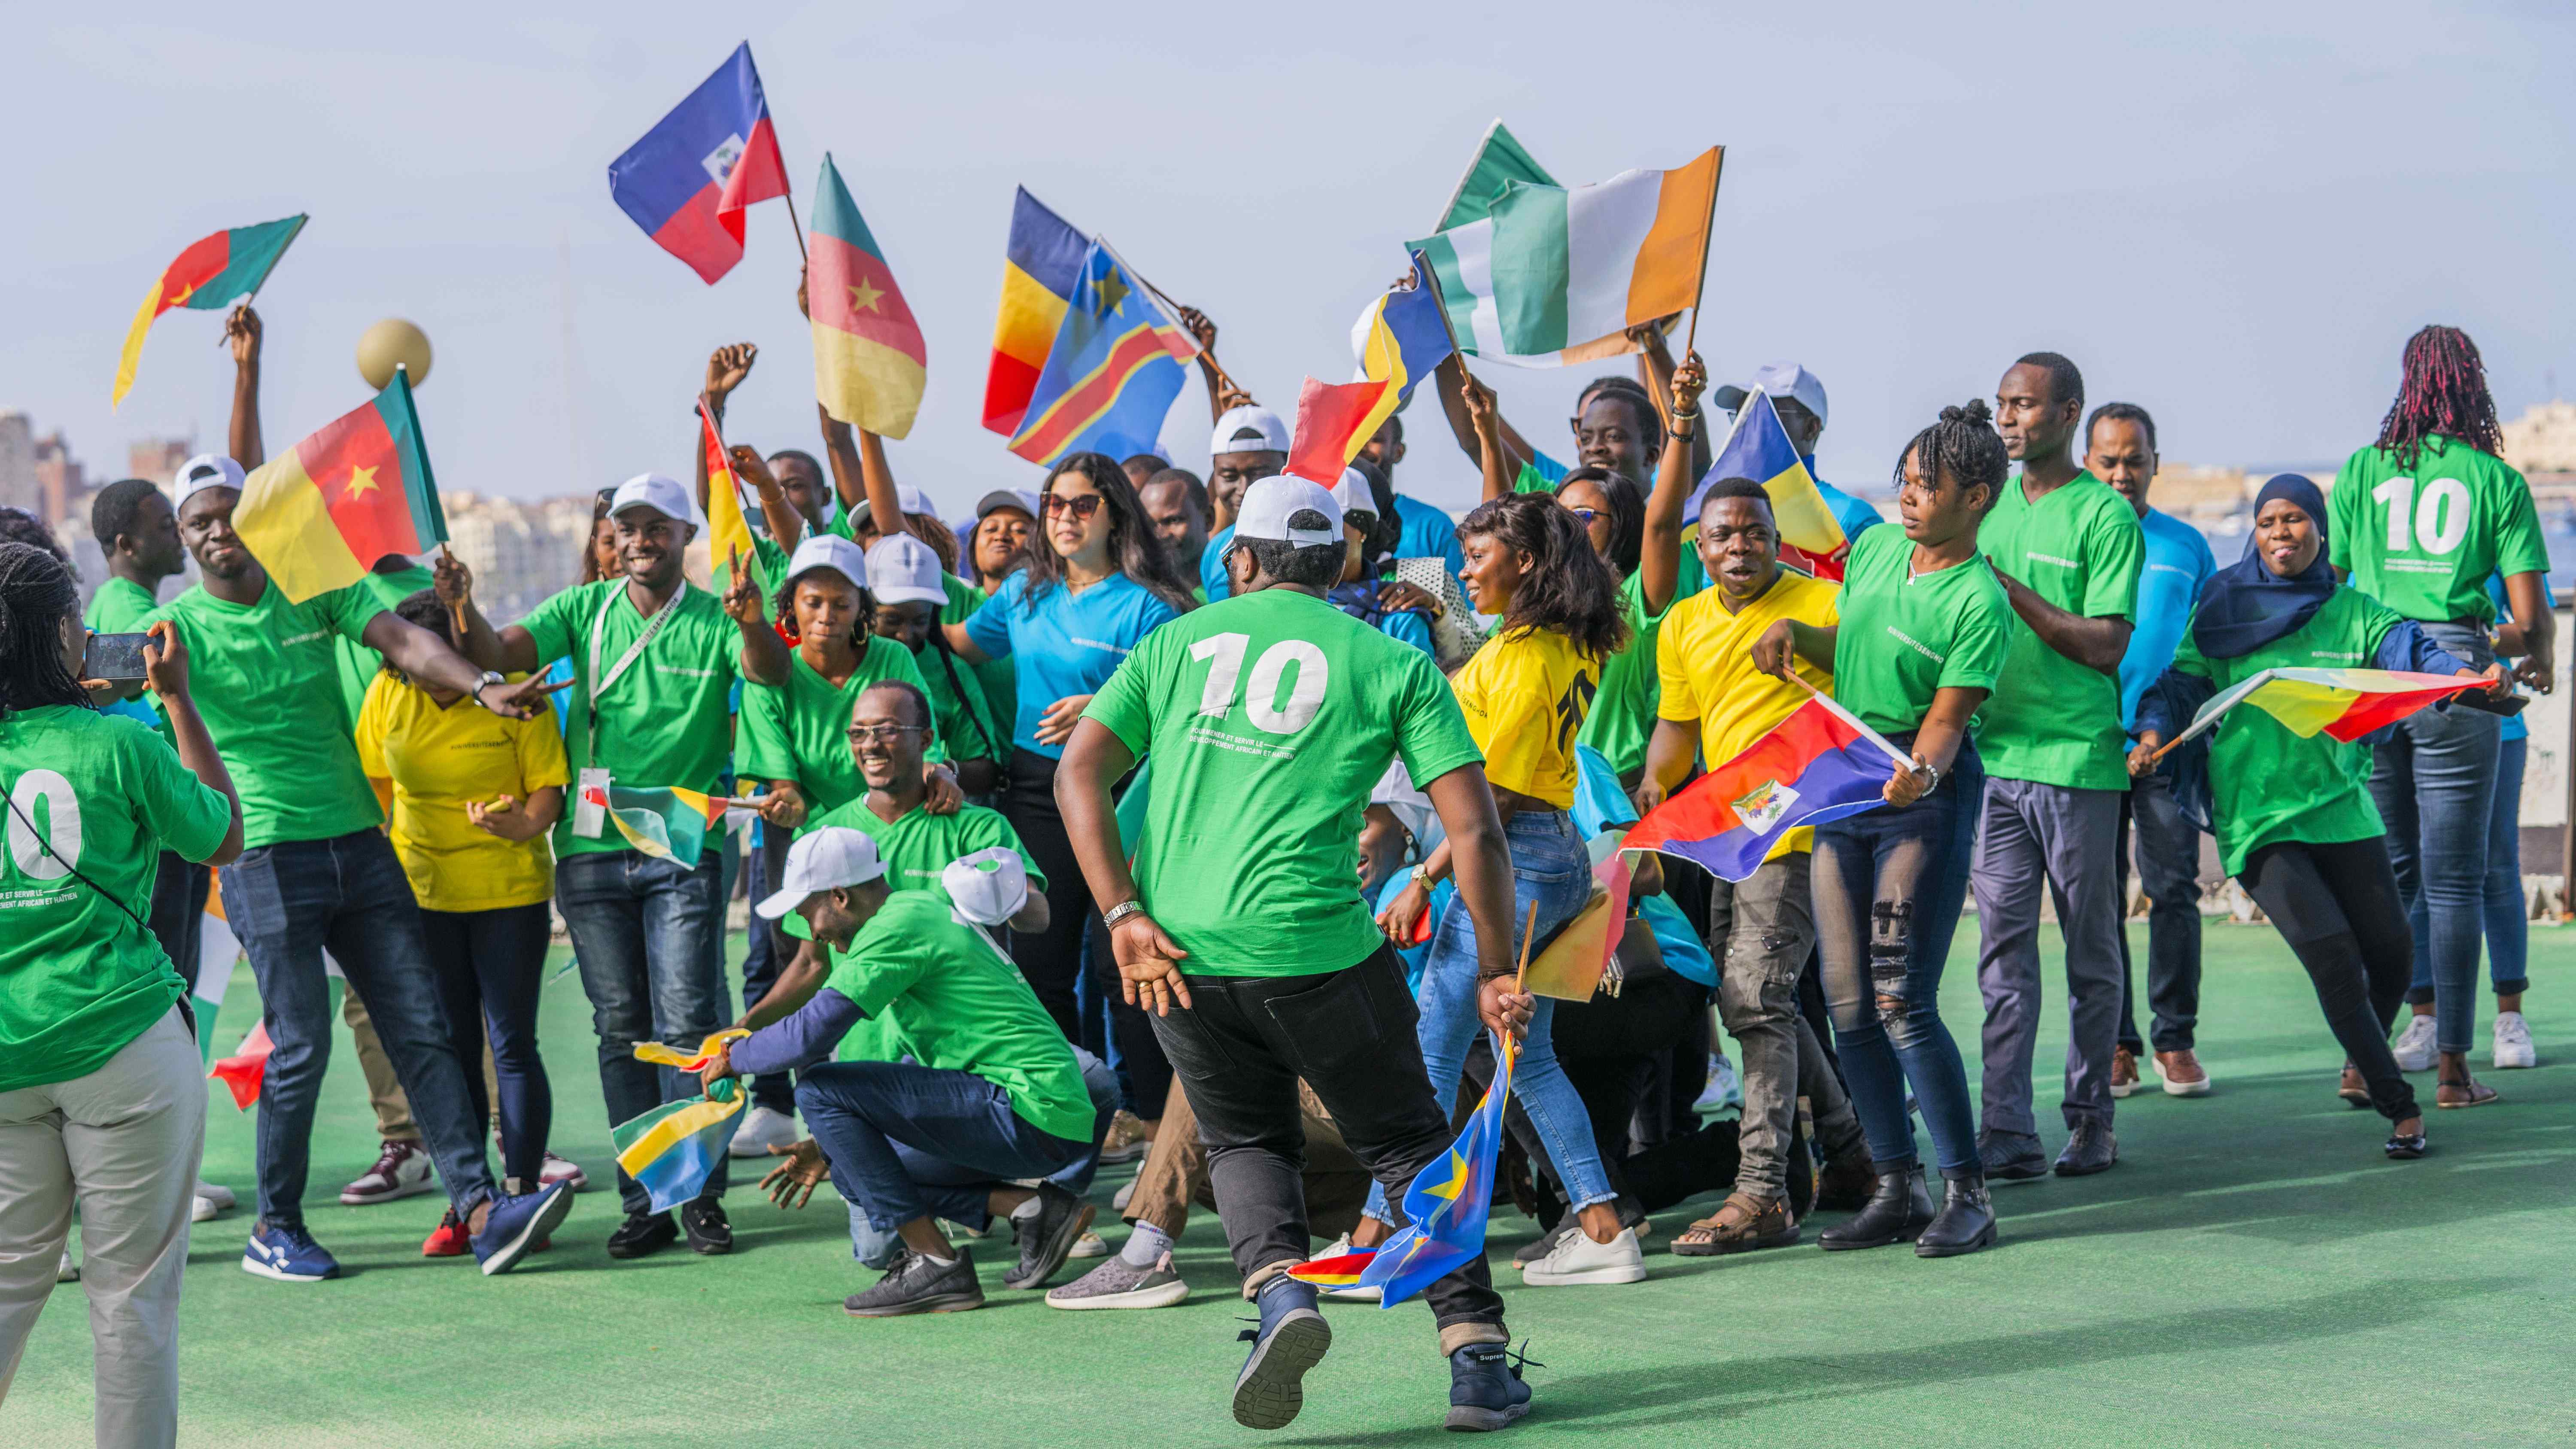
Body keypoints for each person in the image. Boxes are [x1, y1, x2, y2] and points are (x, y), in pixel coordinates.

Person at [1056, 475, 1539, 1432]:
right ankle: (1476, 1354)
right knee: (1408, 1145)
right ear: (1343, 560)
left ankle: (1281, 1297)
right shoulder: (1390, 661)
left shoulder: (1173, 641)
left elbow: (1080, 771)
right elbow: (1475, 831)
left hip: (1181, 951)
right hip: (1315, 946)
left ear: (1240, 557)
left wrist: (1121, 913)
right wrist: (1494, 967)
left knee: (1243, 1139)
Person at [148, 450, 571, 1283]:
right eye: (201, 520)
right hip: (266, 853)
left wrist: (483, 683)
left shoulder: (313, 588)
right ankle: (277, 1226)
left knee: (419, 1025)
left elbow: (406, 639)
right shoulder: (180, 633)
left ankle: (484, 1210)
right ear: (181, 537)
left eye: (232, 511)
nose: (220, 530)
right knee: (299, 1039)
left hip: (360, 845)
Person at [442, 471, 787, 1261]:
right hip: (593, 854)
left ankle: (696, 1197)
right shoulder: (580, 610)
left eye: (656, 527)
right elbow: (496, 653)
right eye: (627, 527)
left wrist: (755, 623)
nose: (639, 540)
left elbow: (768, 674)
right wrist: (462, 605)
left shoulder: (714, 619)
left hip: (683, 851)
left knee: (687, 1025)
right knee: (622, 1031)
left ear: (685, 538)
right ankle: (646, 1203)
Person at [2132, 474, 2501, 1153]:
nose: (2281, 532)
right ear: (2255, 531)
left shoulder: (2356, 611)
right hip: (2262, 818)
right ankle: (2400, 1104)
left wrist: (2468, 678)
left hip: (2341, 806)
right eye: (2269, 520)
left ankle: (2361, 1060)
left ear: (2320, 530)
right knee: (2334, 954)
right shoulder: (2224, 607)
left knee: (2392, 955)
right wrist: (2154, 734)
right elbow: (2180, 683)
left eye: (2295, 519)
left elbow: (2410, 654)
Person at [1753, 398, 2015, 1258]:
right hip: (1848, 780)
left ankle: (1966, 1190)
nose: (1907, 497)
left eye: (1926, 486)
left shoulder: (1980, 598)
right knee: (1849, 1002)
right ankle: (1896, 1186)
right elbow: (1854, 642)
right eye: (1903, 480)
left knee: (1903, 998)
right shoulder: (1871, 551)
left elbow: (1947, 720)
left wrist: (1924, 773)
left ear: (1977, 497)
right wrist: (1802, 634)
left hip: (1921, 796)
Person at [0, 543, 240, 1446]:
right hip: (124, 1046)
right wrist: (174, 696)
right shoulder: (117, 742)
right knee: (132, 1297)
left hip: (6, 1059)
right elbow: (223, 835)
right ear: (58, 631)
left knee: (7, 1278)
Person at [1634, 354, 1875, 1252]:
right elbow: (1676, 731)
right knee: (1759, 1001)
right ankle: (1850, 1151)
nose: (1741, 546)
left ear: (1778, 537)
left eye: (1755, 532)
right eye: (1725, 534)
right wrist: (1658, 786)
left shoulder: (1828, 600)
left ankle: (1766, 1187)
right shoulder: (1686, 623)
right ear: (1702, 545)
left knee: (1757, 998)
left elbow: (1874, 686)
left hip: (1804, 830)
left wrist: (1807, 635)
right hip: (1728, 833)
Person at [1373, 489, 1641, 1290]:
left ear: (1524, 562)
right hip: (1549, 858)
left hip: (1513, 862)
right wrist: (1442, 597)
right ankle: (1602, 1227)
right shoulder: (1561, 641)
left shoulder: (1525, 654)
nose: (1464, 571)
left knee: (1433, 1048)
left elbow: (1498, 801)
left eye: (1478, 559)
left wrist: (1424, 876)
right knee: (1525, 1060)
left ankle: (1377, 1231)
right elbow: (1475, 672)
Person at [705, 830, 1106, 1315]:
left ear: (839, 897)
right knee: (854, 1171)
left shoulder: (895, 928)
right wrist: (835, 1149)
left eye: (808, 912)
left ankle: (936, 1263)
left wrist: (733, 1057)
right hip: (1035, 1113)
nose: (812, 933)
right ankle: (1035, 1211)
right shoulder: (916, 909)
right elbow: (921, 1070)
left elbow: (810, 1036)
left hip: (1026, 1107)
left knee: (820, 1089)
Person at [2330, 325, 2553, 1103]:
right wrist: (2540, 660)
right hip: (2457, 675)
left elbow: (2333, 586)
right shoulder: (2496, 479)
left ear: (2407, 383)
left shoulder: (2360, 470)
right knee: (2456, 882)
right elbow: (2528, 616)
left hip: (2374, 672)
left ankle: (2368, 1060)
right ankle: (2456, 1070)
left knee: (2386, 874)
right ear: (2473, 384)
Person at [942, 454, 1190, 1066]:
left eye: (1083, 504)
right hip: (1035, 792)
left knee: (1123, 962)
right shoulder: (1024, 593)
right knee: (1041, 963)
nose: (1065, 516)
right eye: (1054, 503)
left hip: (1124, 797)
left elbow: (1180, 708)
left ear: (1115, 515)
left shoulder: (1150, 607)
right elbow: (955, 644)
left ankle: (1152, 1118)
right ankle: (1072, 1105)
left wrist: (1104, 709)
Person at [1970, 352, 2144, 1182]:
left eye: (2026, 405)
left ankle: (2090, 1119)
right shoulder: (1983, 506)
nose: (2009, 419)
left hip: (2078, 762)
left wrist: (2014, 594)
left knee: (2090, 954)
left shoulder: (2106, 517)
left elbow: (2108, 646)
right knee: (2001, 956)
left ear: (2068, 412)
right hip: (1992, 761)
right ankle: (2005, 1129)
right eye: (2002, 403)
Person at [355, 591, 572, 1254]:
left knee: (510, 1041)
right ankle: (471, 1200)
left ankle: (521, 1190)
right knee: (448, 1049)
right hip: (424, 895)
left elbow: (549, 794)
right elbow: (372, 785)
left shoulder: (510, 695)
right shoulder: (387, 694)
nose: (423, 668)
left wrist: (523, 824)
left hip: (509, 889)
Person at [2089, 403, 2218, 1098]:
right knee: (2096, 901)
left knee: (2174, 891)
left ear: (2156, 464)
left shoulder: (2187, 546)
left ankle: (2175, 1039)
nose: (2121, 474)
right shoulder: (2071, 536)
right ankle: (2116, 1043)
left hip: (2166, 747)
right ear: (2088, 463)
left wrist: (2167, 728)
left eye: (2135, 460)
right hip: (2086, 748)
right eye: (2108, 460)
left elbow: (2206, 650)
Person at [2393, 571, 2552, 1072]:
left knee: (2496, 865)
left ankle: (2510, 1015)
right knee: (2417, 871)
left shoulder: (2489, 543)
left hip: (2496, 725)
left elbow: (2531, 625)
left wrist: (2466, 636)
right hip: (2407, 721)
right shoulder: (2388, 540)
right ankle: (2425, 1018)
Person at [866, 535, 1005, 796]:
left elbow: (987, 769)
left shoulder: (952, 672)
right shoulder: (845, 661)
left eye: (920, 620)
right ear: (865, 608)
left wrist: (942, 772)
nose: (906, 636)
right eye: (892, 620)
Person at [1708, 361, 1884, 547]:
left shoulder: (1852, 518)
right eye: (1743, 414)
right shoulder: (1721, 510)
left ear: (1811, 428)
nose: (1750, 426)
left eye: (1767, 414)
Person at [1202, 403, 1289, 560]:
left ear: (1287, 467)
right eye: (1230, 477)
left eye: (1259, 475)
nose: (1244, 489)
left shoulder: (1307, 541)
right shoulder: (1215, 551)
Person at [1139, 467, 1215, 589]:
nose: (1160, 535)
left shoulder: (1230, 589)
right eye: (1149, 524)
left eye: (1173, 521)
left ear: (1208, 519)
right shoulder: (1139, 598)